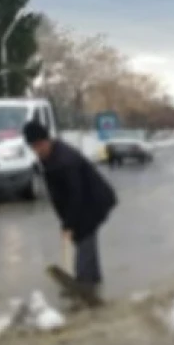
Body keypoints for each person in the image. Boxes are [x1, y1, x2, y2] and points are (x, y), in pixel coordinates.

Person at [23, 120, 118, 300]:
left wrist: (68, 224)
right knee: (82, 238)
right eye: (32, 147)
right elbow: (60, 194)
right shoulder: (49, 157)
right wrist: (66, 223)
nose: (36, 150)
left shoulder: (65, 160)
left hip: (95, 201)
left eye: (38, 145)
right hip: (84, 201)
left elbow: (76, 196)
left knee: (83, 236)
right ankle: (93, 281)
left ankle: (83, 284)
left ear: (46, 140)